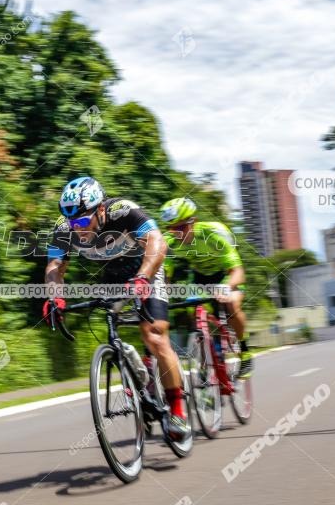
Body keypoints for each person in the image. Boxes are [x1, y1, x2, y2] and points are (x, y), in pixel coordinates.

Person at [42, 177, 190, 439]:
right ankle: (135, 374)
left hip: (146, 268)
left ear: (100, 210)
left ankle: (178, 410)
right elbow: (55, 268)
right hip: (113, 276)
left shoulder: (122, 210)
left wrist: (143, 277)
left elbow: (157, 243)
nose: (77, 229)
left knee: (154, 335)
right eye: (72, 223)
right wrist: (55, 299)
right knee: (112, 328)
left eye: (83, 222)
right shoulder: (63, 228)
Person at [158, 197, 253, 378]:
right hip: (200, 278)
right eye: (171, 229)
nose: (176, 233)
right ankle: (204, 359)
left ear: (193, 222)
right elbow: (165, 277)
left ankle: (244, 349)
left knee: (232, 304)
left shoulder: (214, 234)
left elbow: (238, 272)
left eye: (180, 228)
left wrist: (225, 287)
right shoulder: (169, 241)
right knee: (192, 310)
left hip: (226, 275)